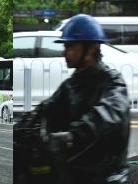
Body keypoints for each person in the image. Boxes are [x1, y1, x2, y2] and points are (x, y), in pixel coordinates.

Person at [35, 14, 131, 184]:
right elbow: (48, 107)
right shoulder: (71, 85)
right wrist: (26, 124)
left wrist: (73, 135)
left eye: (70, 46)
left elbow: (110, 112)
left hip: (105, 172)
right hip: (74, 168)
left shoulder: (112, 81)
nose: (65, 52)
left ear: (91, 49)